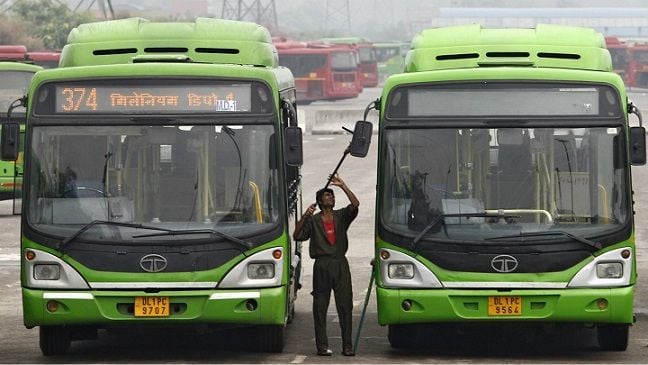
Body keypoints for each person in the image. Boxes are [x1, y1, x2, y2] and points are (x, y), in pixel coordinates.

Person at [293, 174, 359, 357]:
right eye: (327, 195)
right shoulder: (313, 220)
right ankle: (322, 346)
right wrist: (305, 217)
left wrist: (343, 185)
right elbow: (297, 235)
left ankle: (347, 345)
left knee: (345, 306)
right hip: (321, 266)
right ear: (320, 202)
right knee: (320, 307)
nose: (331, 197)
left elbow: (355, 204)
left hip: (340, 264)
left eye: (332, 195)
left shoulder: (341, 216)